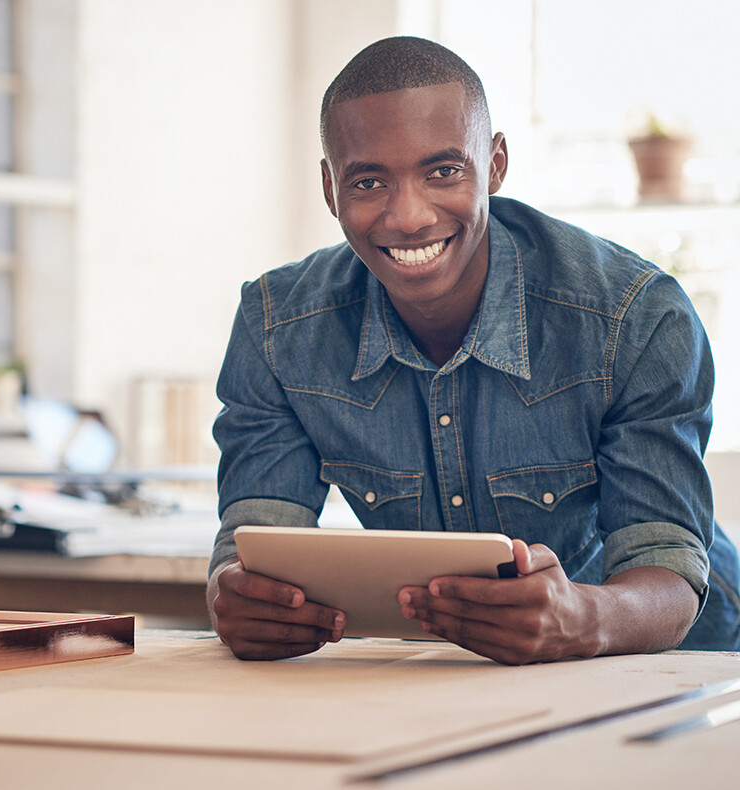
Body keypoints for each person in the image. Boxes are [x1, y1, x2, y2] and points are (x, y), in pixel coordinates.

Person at [207, 36, 740, 663]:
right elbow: (253, 548)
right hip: (456, 672)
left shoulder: (635, 317)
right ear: (330, 189)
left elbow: (667, 571)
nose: (407, 217)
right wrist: (238, 599)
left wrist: (580, 617)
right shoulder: (278, 329)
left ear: (494, 164)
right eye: (369, 180)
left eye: (442, 172)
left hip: (684, 669)